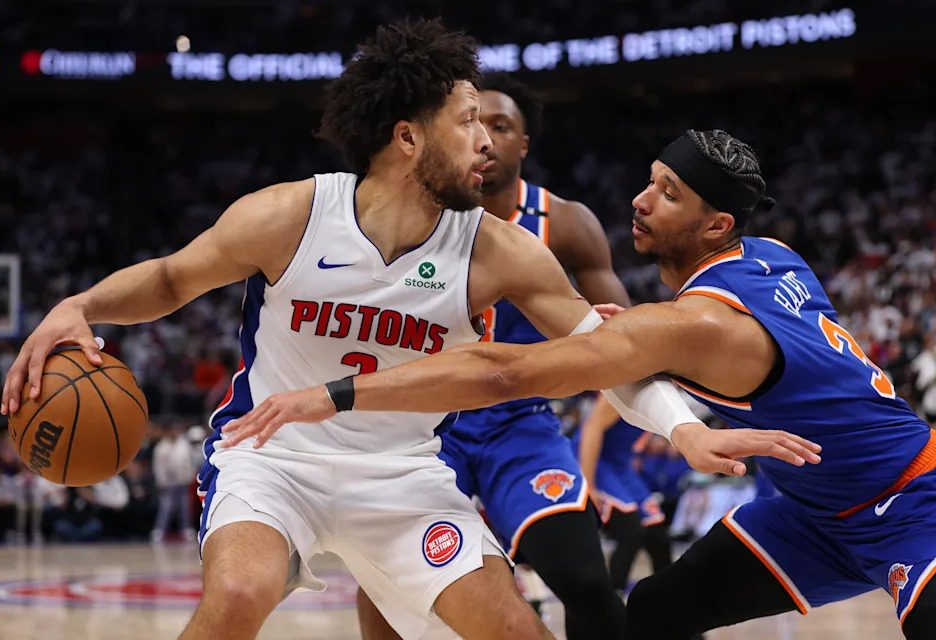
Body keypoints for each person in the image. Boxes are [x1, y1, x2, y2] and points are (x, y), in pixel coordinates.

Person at [232, 128, 935, 639]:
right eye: (651, 179)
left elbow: (506, 368)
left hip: (912, 500)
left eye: (668, 193)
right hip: (813, 514)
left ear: (715, 224)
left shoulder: (694, 323)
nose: (640, 200)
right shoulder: (772, 257)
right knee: (657, 610)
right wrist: (633, 340)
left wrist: (340, 392)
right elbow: (707, 343)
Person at [356, 72, 630, 640]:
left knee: (583, 580)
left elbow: (623, 339)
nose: (488, 136)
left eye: (502, 126)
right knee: (382, 585)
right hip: (430, 425)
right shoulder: (419, 215)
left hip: (518, 419)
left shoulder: (566, 223)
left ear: (523, 144)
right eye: (476, 123)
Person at [573, 396, 672, 598]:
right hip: (594, 460)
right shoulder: (628, 382)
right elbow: (592, 428)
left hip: (620, 462)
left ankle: (670, 608)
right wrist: (588, 484)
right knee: (631, 532)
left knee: (658, 536)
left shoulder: (669, 390)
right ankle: (613, 609)